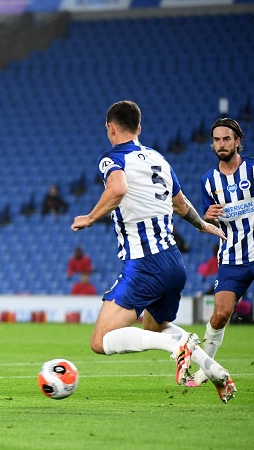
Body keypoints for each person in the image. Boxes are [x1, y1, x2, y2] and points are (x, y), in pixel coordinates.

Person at [71, 100, 236, 403]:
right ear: (139, 128)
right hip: (174, 263)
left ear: (111, 128)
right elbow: (181, 204)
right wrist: (201, 226)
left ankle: (178, 348)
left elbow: (117, 189)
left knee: (99, 340)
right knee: (154, 327)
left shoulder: (112, 158)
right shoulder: (159, 159)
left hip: (145, 264)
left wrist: (90, 217)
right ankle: (213, 370)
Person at [187, 118, 250, 387]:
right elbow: (206, 224)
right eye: (216, 140)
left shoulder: (253, 170)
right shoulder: (208, 181)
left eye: (226, 139)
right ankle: (205, 369)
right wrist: (207, 217)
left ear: (238, 141)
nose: (221, 144)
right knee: (221, 314)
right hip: (232, 258)